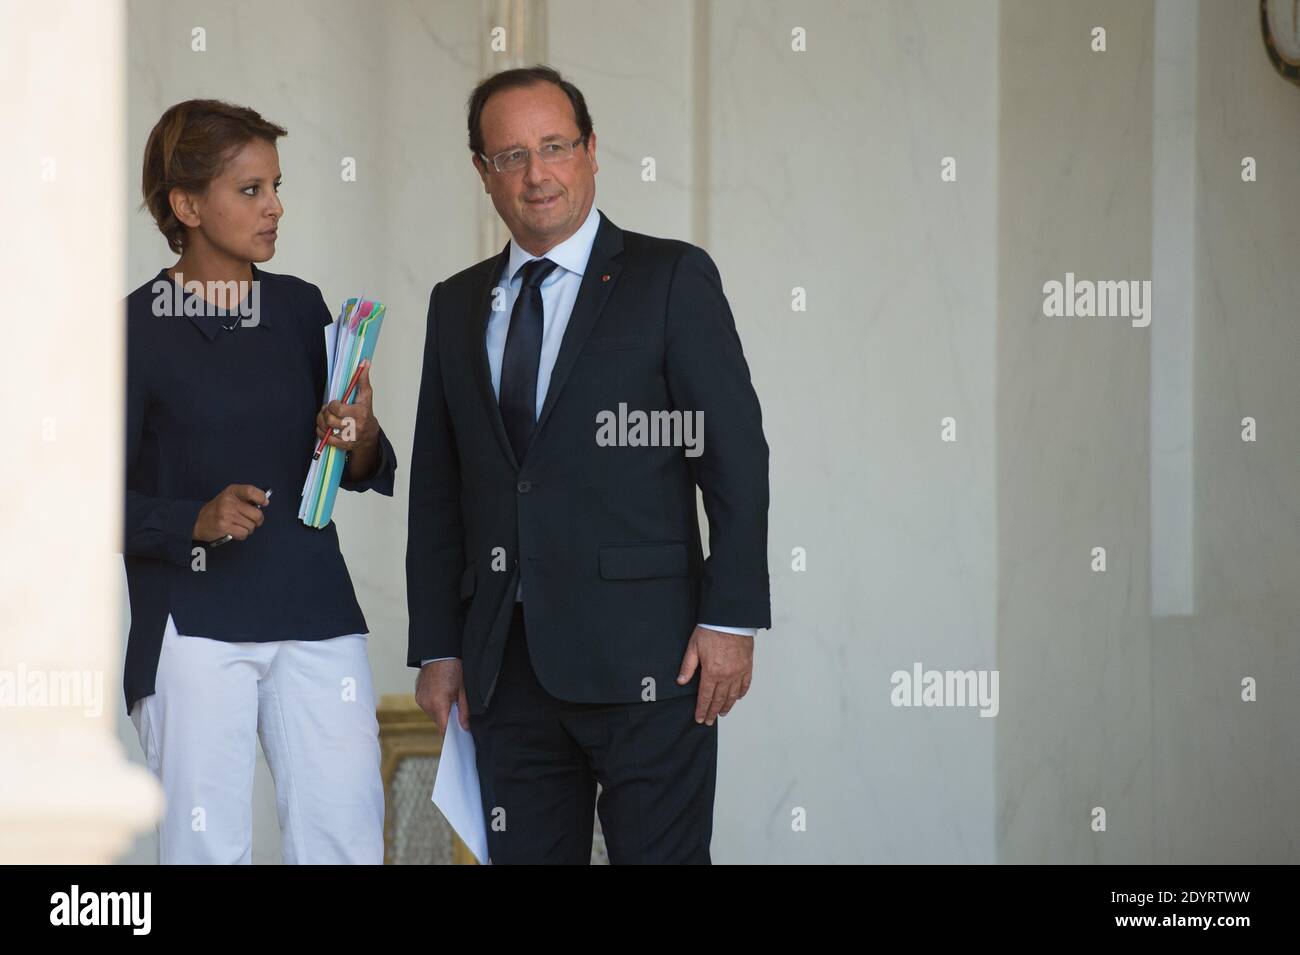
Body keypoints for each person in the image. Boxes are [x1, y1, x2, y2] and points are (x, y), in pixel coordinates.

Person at [407, 66, 770, 864]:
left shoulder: (669, 278)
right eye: (510, 156)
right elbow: (439, 486)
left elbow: (733, 453)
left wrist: (731, 619)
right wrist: (439, 645)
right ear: (482, 173)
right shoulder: (455, 302)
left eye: (555, 147)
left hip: (652, 658)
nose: (536, 174)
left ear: (592, 152)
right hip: (507, 667)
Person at [124, 99, 396, 864]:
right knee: (208, 849)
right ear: (186, 205)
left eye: (276, 185)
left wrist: (363, 438)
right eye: (250, 190)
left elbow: (355, 464)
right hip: (195, 622)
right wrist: (193, 521)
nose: (275, 207)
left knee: (345, 838)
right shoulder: (132, 330)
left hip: (315, 606)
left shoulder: (302, 307)